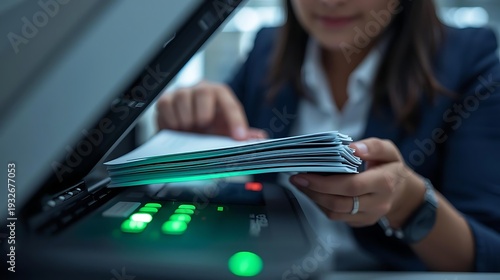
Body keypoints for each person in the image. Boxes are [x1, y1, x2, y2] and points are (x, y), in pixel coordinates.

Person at [156, 0, 500, 272]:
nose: (330, 1)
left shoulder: (470, 60)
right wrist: (199, 142)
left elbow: (486, 255)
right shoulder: (266, 49)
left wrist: (409, 204)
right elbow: (225, 151)